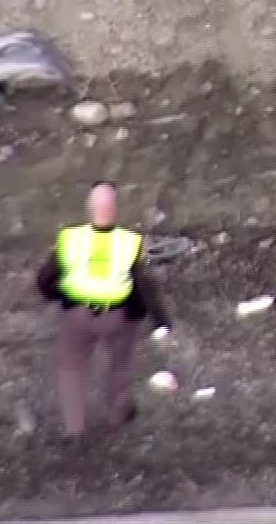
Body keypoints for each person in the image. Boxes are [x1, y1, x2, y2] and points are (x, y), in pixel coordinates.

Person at [35, 181, 171, 438]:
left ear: (89, 208)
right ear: (115, 209)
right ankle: (117, 414)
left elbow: (45, 278)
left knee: (71, 369)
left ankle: (74, 427)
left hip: (78, 314)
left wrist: (61, 296)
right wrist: (160, 321)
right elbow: (143, 284)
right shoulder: (128, 241)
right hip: (117, 315)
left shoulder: (70, 239)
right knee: (120, 364)